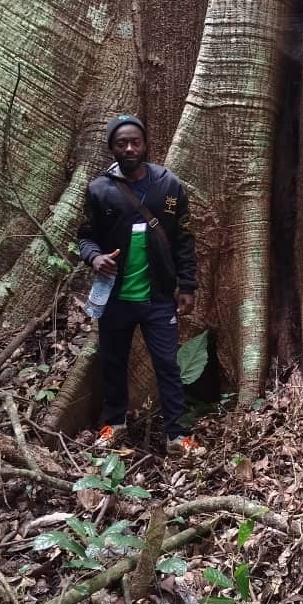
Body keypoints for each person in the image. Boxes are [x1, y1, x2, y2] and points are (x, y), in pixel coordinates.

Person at [77, 115, 200, 452]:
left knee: (167, 364)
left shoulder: (169, 188)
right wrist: (94, 258)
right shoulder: (99, 191)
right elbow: (86, 237)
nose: (129, 148)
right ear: (111, 148)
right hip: (116, 297)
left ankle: (177, 434)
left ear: (145, 144)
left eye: (135, 142)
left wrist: (186, 286)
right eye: (121, 143)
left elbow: (182, 235)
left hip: (158, 298)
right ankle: (114, 424)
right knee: (113, 362)